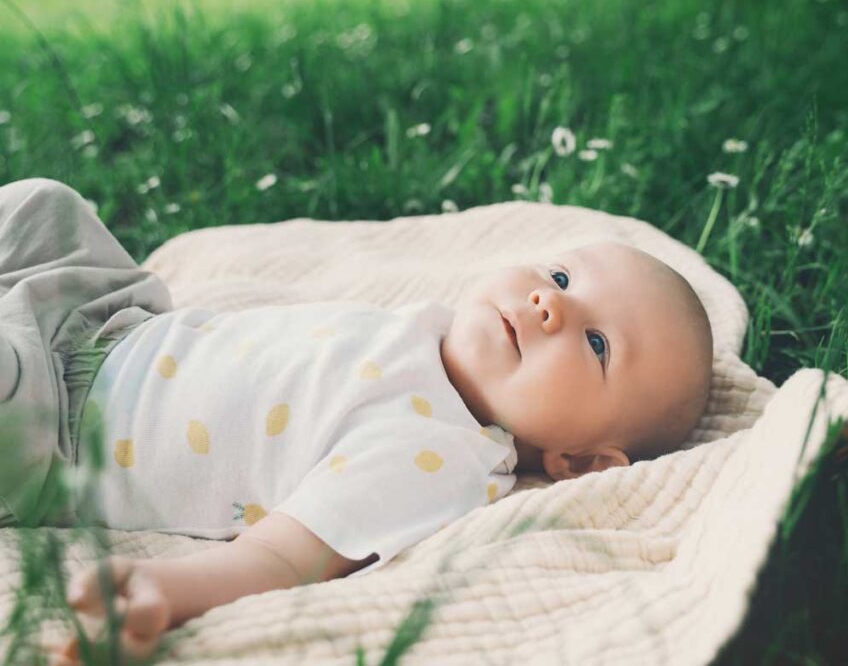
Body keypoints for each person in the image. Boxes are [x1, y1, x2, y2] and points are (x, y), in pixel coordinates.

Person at [0, 179, 712, 664]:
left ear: (582, 462)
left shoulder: (439, 454)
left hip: (56, 425)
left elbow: (281, 555)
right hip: (111, 323)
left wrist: (170, 589)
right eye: (560, 277)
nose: (549, 305)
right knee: (45, 206)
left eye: (596, 344)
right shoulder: (435, 331)